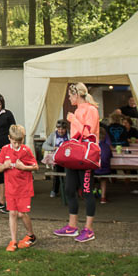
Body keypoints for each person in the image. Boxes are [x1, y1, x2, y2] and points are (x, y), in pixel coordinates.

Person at [53, 82, 101, 243]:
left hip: (86, 157)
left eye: (70, 95)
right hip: (75, 156)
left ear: (77, 95)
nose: (68, 98)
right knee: (69, 189)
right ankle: (72, 226)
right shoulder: (78, 110)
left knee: (87, 191)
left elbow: (88, 133)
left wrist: (74, 120)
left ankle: (89, 229)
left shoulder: (91, 110)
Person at [0, 124, 38, 251]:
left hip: (24, 188)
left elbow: (35, 166)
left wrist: (24, 167)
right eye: (15, 142)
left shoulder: (25, 150)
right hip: (10, 188)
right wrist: (4, 166)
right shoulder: (4, 150)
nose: (17, 145)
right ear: (9, 138)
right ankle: (13, 240)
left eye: (19, 142)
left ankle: (31, 235)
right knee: (13, 213)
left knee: (22, 213)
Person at [43, 119, 69, 198]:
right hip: (57, 159)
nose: (61, 131)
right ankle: (54, 190)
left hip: (68, 159)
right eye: (59, 129)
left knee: (68, 175)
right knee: (57, 173)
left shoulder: (69, 135)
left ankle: (68, 191)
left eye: (63, 129)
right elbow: (44, 145)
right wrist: (53, 148)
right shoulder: (53, 135)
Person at [93, 123, 113, 204]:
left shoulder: (92, 147)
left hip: (94, 170)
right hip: (105, 170)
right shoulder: (107, 147)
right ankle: (103, 197)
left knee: (89, 173)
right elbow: (110, 156)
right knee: (104, 179)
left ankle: (93, 192)